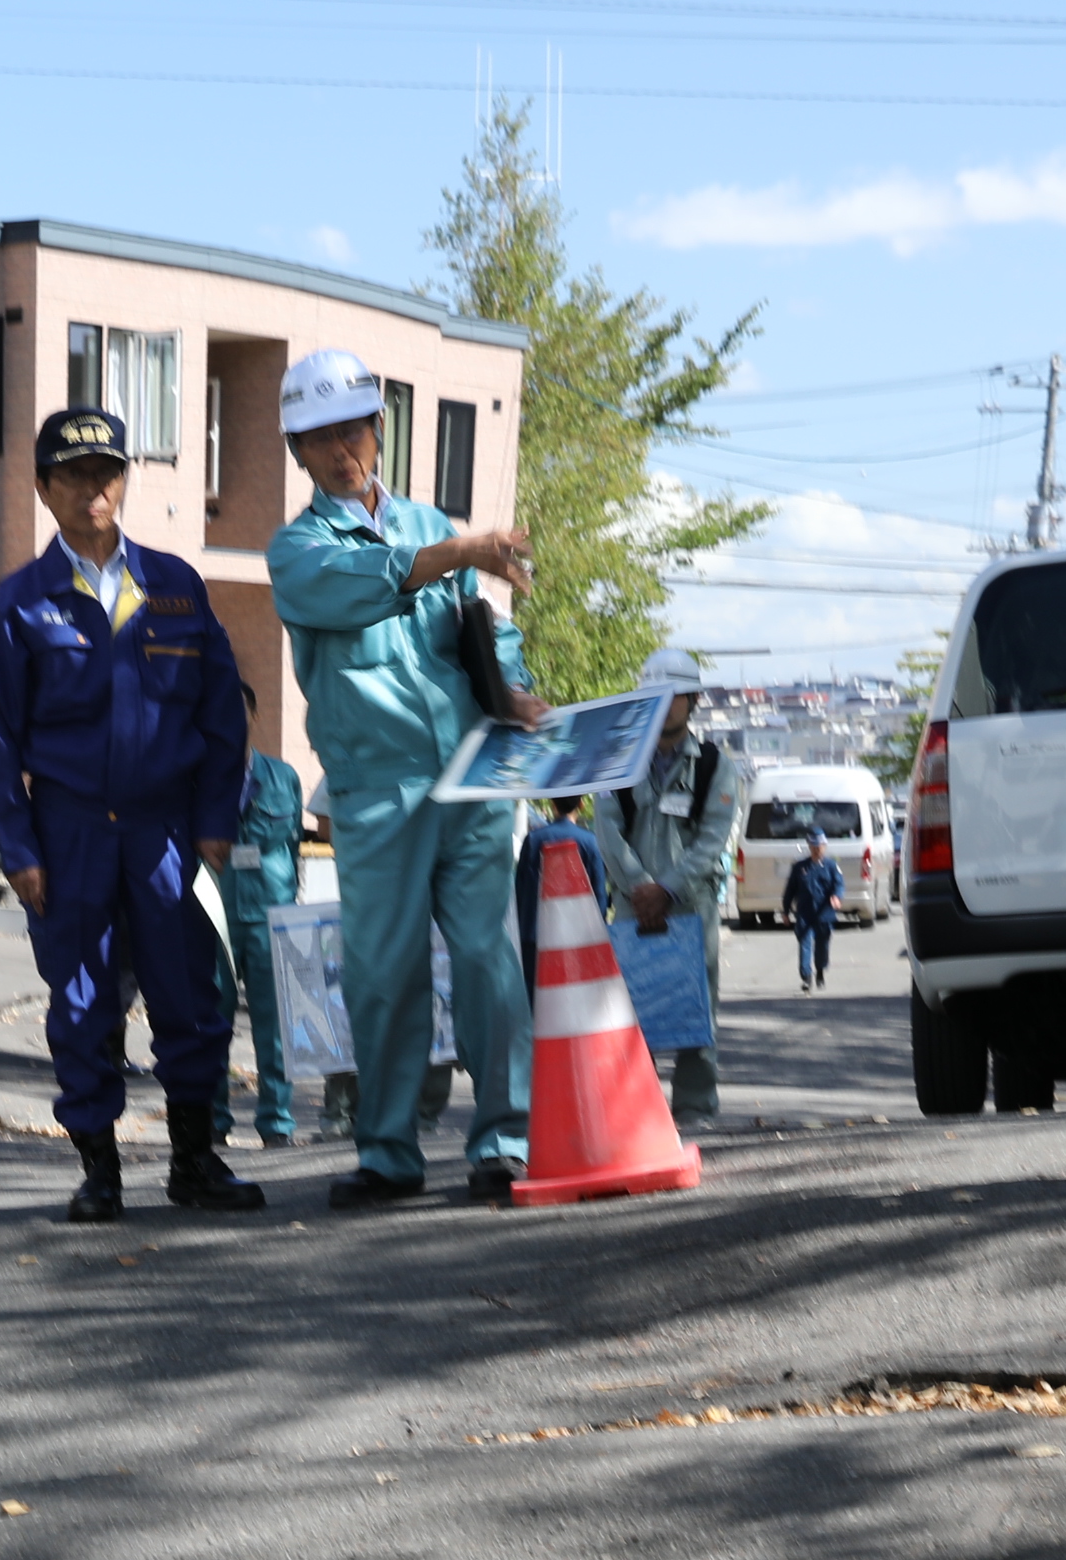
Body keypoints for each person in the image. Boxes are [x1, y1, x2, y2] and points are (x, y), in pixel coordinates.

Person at [265, 347, 542, 1208]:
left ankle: (504, 1138)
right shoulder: (297, 550)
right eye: (320, 436)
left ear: (380, 431)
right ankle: (389, 1150)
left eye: (354, 427)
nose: (342, 447)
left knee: (490, 957)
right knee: (385, 971)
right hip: (376, 784)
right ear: (297, 452)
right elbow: (376, 582)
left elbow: (485, 629)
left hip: (468, 770)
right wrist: (463, 550)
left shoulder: (434, 522)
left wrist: (514, 688)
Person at [0, 405, 259, 1220]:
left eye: (106, 473)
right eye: (73, 476)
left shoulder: (175, 586)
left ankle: (195, 1161)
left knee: (190, 998)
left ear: (124, 481)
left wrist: (215, 823)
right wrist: (16, 845)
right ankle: (100, 1172)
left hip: (168, 831)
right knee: (84, 1002)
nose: (92, 489)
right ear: (44, 488)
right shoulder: (22, 602)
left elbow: (220, 715)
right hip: (68, 836)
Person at [579, 650, 751, 1125]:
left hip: (691, 905)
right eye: (656, 695)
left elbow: (714, 838)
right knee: (632, 1009)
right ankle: (640, 1105)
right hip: (634, 907)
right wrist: (640, 888)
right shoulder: (619, 763)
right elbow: (607, 831)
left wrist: (668, 889)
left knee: (699, 1008)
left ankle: (695, 1105)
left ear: (694, 699)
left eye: (676, 695)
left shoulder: (715, 765)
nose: (666, 704)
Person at [221, 700, 310, 1147]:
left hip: (270, 915)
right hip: (215, 916)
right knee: (211, 1022)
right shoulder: (199, 777)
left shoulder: (283, 777)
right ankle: (213, 1121)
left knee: (274, 1027)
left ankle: (276, 1121)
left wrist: (290, 902)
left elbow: (292, 845)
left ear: (254, 716)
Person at [781, 832, 846, 990]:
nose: (817, 850)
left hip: (824, 914)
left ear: (824, 846)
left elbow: (839, 884)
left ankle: (820, 970)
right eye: (814, 846)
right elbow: (790, 890)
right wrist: (785, 910)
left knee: (822, 945)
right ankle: (806, 977)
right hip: (804, 913)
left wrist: (837, 897)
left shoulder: (831, 866)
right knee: (804, 943)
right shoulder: (800, 867)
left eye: (820, 846)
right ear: (809, 847)